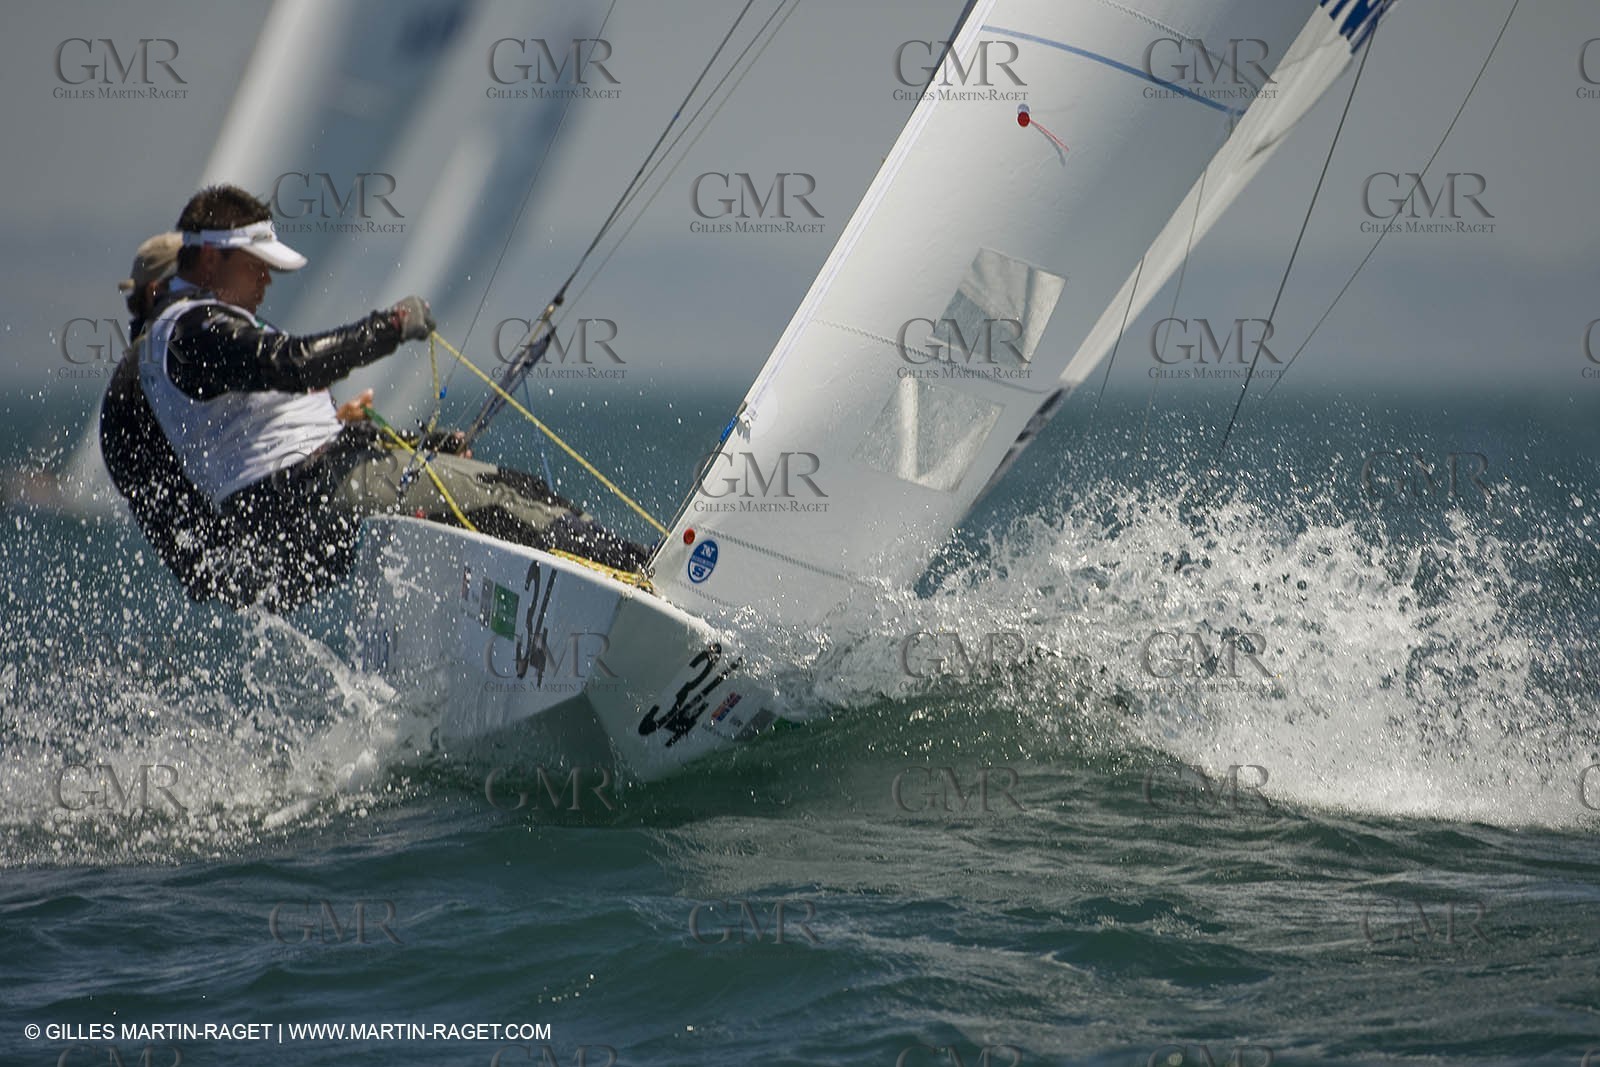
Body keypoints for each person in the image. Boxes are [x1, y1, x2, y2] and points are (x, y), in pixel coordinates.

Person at [108, 184, 647, 611]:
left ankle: (577, 603)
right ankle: (644, 581)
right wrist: (388, 326)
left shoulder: (183, 336)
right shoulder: (192, 329)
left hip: (297, 499)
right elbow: (293, 362)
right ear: (208, 261)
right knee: (503, 499)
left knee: (503, 495)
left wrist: (419, 443)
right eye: (257, 264)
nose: (268, 280)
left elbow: (264, 430)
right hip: (303, 498)